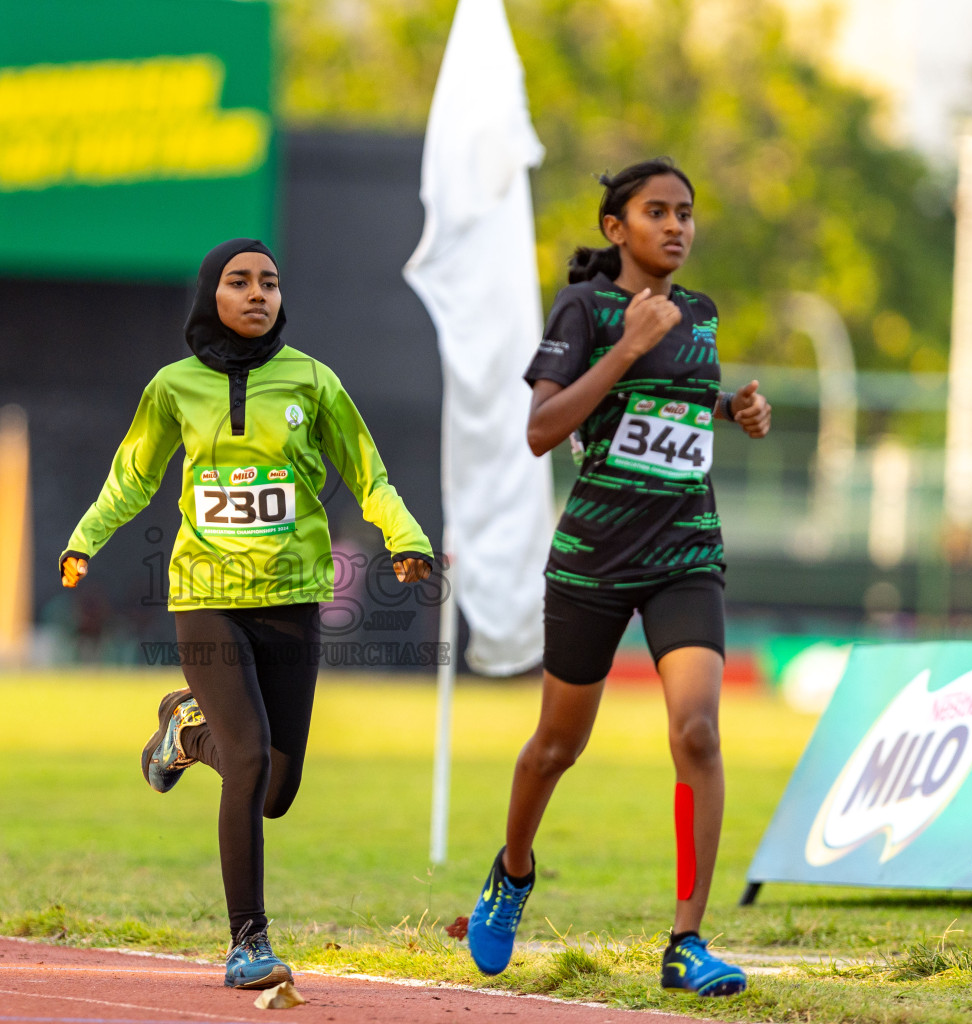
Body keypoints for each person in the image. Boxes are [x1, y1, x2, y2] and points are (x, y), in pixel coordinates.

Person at [59, 238, 434, 990]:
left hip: (292, 597)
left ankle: (185, 733)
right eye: (239, 282)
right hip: (205, 594)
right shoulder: (173, 388)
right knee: (254, 754)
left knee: (274, 791)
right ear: (212, 295)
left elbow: (369, 474)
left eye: (269, 282)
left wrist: (407, 535)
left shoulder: (314, 381)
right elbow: (132, 479)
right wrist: (85, 539)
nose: (258, 293)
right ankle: (248, 944)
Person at [464, 159, 771, 997]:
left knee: (698, 733)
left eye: (686, 214)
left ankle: (686, 940)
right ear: (616, 228)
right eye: (657, 212)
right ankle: (513, 869)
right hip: (595, 557)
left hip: (686, 550)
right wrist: (627, 346)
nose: (676, 227)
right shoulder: (586, 309)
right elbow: (542, 429)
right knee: (557, 746)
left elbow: (677, 401)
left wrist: (732, 409)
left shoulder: (701, 313)